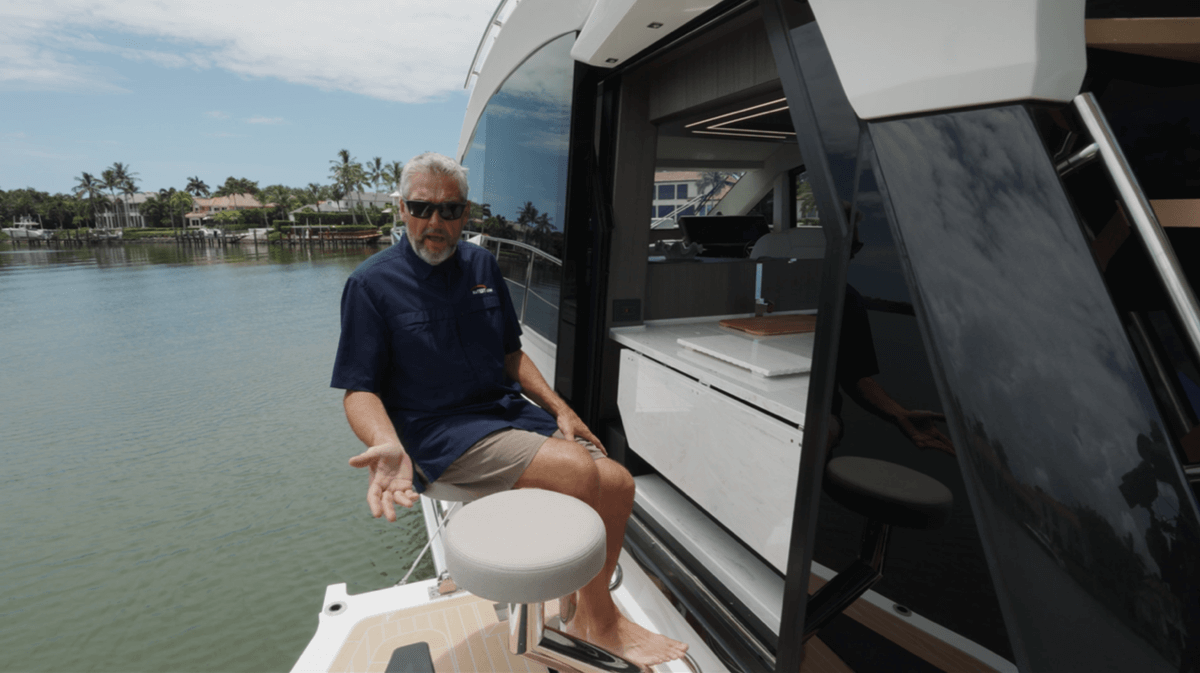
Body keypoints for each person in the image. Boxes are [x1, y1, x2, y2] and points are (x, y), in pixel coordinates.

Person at [330, 152, 687, 668]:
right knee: (574, 468)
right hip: (436, 431)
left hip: (502, 412)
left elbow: (510, 354)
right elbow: (358, 388)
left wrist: (561, 409)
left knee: (619, 482)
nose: (435, 223)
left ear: (466, 213)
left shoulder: (481, 265)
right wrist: (383, 443)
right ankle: (599, 617)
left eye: (449, 210)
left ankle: (584, 607)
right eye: (421, 208)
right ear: (402, 209)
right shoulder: (370, 284)